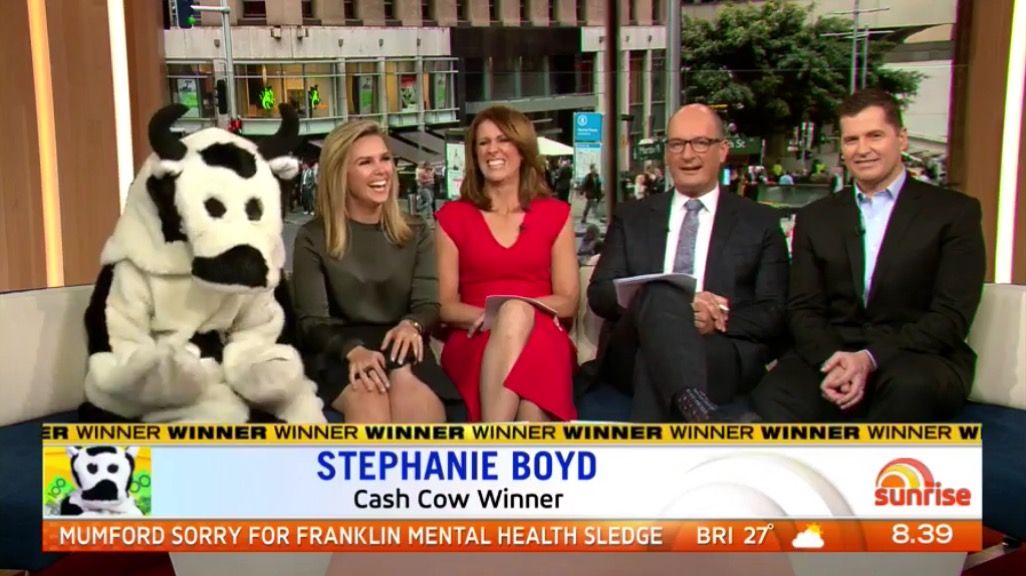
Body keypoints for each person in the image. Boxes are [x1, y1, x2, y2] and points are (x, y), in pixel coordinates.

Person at [751, 89, 986, 422]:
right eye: (852, 140)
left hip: (918, 356)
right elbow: (803, 308)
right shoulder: (816, 218)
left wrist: (870, 358)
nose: (862, 150)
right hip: (834, 352)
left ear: (901, 138)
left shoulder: (953, 213)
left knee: (908, 389)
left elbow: (951, 316)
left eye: (875, 136)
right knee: (776, 394)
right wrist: (835, 360)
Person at [588, 104, 789, 422]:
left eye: (700, 143)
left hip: (717, 350)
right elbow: (599, 293)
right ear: (667, 153)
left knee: (654, 362)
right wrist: (654, 303)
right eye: (677, 144)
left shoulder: (759, 222)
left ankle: (691, 407)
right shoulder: (632, 216)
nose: (687, 155)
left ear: (723, 150)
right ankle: (699, 410)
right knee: (661, 292)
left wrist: (718, 316)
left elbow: (775, 310)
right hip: (633, 344)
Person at [292, 120, 457, 423]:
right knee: (370, 396)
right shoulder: (313, 237)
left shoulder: (416, 231)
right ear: (340, 173)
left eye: (385, 159)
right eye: (365, 162)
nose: (382, 170)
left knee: (413, 396)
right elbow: (312, 322)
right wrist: (352, 351)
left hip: (402, 342)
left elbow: (427, 304)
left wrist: (413, 325)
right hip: (337, 349)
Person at [435, 106, 579, 422]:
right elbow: (444, 306)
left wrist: (517, 311)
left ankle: (492, 439)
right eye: (483, 142)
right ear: (474, 153)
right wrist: (497, 318)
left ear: (522, 148)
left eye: (503, 140)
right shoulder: (452, 218)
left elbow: (568, 301)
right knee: (530, 398)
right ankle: (498, 441)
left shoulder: (555, 214)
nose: (493, 150)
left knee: (532, 398)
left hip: (543, 333)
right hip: (477, 335)